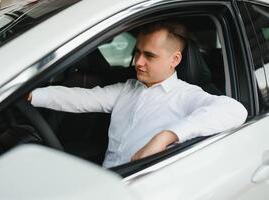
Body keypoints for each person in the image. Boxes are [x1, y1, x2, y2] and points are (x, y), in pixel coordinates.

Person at [28, 21, 248, 168]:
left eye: (149, 56)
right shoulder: (127, 88)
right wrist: (32, 95)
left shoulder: (187, 96)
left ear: (175, 60)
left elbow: (235, 111)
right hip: (109, 178)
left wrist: (165, 137)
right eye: (138, 52)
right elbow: (80, 99)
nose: (138, 62)